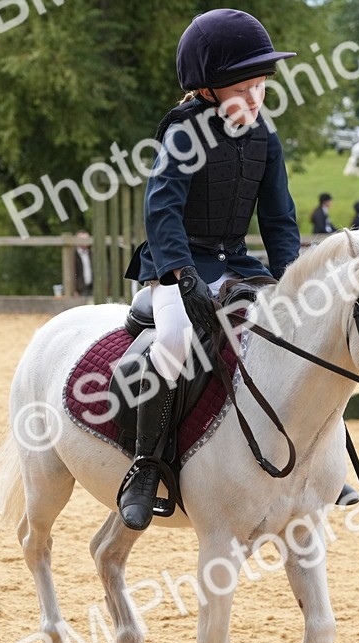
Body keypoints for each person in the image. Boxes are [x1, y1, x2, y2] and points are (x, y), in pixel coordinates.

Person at [119, 9, 315, 531]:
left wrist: (291, 279)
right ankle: (146, 465)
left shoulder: (264, 139)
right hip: (177, 265)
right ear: (207, 89)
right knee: (177, 342)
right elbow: (160, 211)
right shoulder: (184, 132)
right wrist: (182, 277)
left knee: (300, 335)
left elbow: (279, 217)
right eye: (243, 89)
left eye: (261, 88)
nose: (255, 100)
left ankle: (316, 462)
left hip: (237, 262)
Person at [73, 230, 93, 295]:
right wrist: (74, 290)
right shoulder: (72, 255)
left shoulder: (92, 254)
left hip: (92, 288)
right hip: (79, 290)